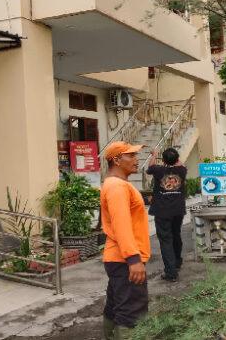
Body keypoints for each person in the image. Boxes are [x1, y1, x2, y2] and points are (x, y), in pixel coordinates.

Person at [100, 141, 150, 339]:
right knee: (132, 313)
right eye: (131, 155)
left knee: (115, 307)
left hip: (118, 258)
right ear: (117, 160)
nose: (136, 160)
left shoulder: (116, 184)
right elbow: (121, 225)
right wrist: (133, 259)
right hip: (124, 259)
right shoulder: (117, 186)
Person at [146, 148, 187, 282]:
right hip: (177, 210)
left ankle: (171, 272)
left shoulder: (158, 170)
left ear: (163, 160)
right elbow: (180, 163)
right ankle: (177, 261)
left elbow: (149, 167)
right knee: (176, 235)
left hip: (162, 211)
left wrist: (154, 155)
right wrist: (174, 158)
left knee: (165, 240)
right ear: (177, 159)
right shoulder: (182, 170)